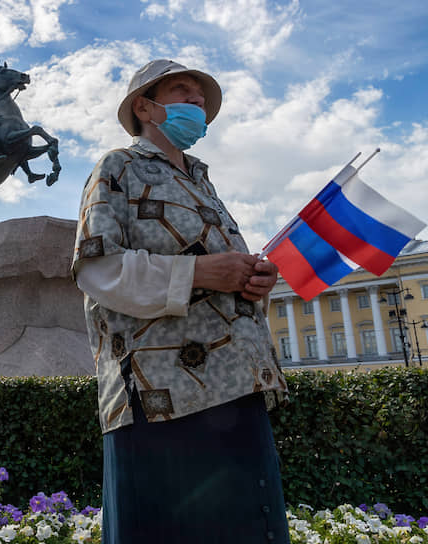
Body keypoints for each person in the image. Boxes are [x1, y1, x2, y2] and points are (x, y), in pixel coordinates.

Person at [71, 59, 291, 543]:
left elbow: (220, 279)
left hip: (238, 388)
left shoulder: (203, 183)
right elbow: (97, 269)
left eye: (201, 97)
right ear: (144, 107)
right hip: (162, 402)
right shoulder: (117, 167)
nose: (196, 101)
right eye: (182, 90)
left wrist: (253, 280)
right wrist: (198, 272)